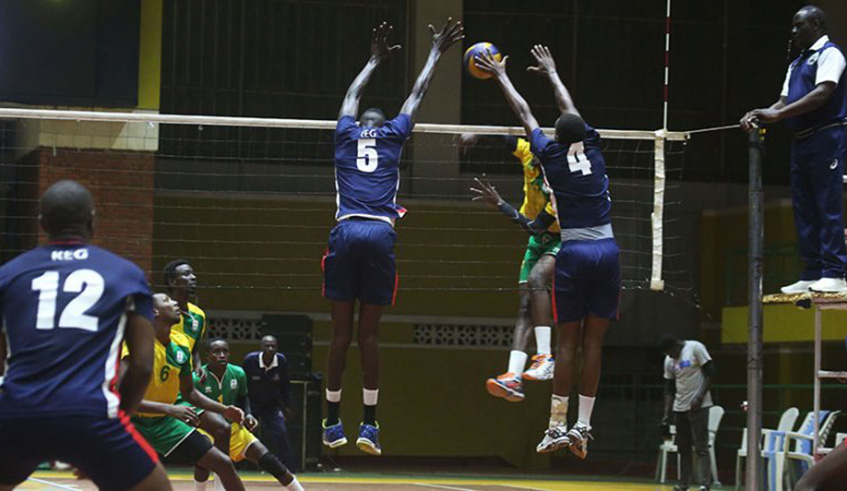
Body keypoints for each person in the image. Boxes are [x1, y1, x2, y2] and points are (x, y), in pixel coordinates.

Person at [321, 19, 463, 456]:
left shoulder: (345, 132)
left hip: (346, 230)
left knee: (339, 334)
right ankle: (369, 424)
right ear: (383, 128)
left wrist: (373, 60)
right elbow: (417, 94)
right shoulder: (395, 135)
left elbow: (350, 96)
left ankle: (330, 422)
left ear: (359, 124)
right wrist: (437, 51)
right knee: (370, 336)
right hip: (380, 233)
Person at [474, 45, 620, 459]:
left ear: (557, 137)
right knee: (595, 345)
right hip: (607, 249)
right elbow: (568, 107)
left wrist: (502, 76)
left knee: (568, 345)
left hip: (573, 251)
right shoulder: (592, 147)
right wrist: (554, 73)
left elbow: (524, 114)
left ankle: (556, 425)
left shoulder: (551, 156)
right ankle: (583, 427)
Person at [0, 180, 172, 490]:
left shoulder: (9, 275)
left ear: (42, 224)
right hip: (91, 415)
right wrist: (112, 428)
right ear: (92, 220)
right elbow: (142, 365)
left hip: (17, 413)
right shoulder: (125, 274)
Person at [741, 5, 847, 294]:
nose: (793, 31)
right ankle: (813, 272)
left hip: (826, 137)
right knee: (804, 208)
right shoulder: (796, 64)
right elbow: (782, 103)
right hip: (800, 141)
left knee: (827, 205)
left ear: (816, 24)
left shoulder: (830, 54)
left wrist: (778, 115)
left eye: (799, 25)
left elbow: (823, 93)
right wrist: (762, 112)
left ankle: (834, 272)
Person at [463, 135, 558, 401]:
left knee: (538, 279)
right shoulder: (528, 151)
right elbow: (504, 139)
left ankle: (545, 357)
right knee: (525, 305)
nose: (536, 156)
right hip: (537, 239)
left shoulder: (559, 179)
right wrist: (477, 134)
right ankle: (513, 376)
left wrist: (500, 204)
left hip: (562, 237)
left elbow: (534, 225)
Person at [123, 293, 246, 491]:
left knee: (224, 463)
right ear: (154, 312)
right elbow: (122, 399)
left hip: (163, 422)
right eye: (167, 300)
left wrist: (224, 409)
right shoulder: (136, 345)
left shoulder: (181, 344)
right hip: (131, 422)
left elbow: (190, 393)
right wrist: (170, 409)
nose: (174, 303)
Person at [194, 339, 304, 491]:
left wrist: (248, 415)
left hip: (233, 428)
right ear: (207, 356)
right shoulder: (197, 378)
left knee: (268, 459)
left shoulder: (238, 373)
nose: (222, 355)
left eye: (225, 351)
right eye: (217, 352)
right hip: (207, 429)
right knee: (206, 460)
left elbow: (244, 397)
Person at [660, 334, 715, 491]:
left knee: (701, 446)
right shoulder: (669, 361)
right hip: (680, 408)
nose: (671, 356)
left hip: (699, 406)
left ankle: (705, 484)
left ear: (677, 345)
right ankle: (684, 484)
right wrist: (666, 415)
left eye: (671, 352)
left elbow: (710, 373)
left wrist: (699, 397)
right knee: (683, 448)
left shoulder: (695, 348)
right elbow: (669, 389)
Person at [243, 335, 295, 469]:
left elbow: (285, 385)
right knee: (246, 433)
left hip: (272, 404)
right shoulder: (250, 360)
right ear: (261, 347)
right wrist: (245, 409)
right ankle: (243, 465)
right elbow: (243, 386)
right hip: (252, 403)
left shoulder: (281, 361)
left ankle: (286, 467)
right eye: (267, 346)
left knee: (281, 432)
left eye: (273, 346)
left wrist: (287, 406)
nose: (270, 349)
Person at [164, 259, 208, 369]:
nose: (193, 277)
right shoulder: (159, 311)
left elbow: (194, 350)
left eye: (193, 274)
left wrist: (198, 367)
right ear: (172, 282)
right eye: (186, 274)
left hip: (185, 377)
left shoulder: (199, 315)